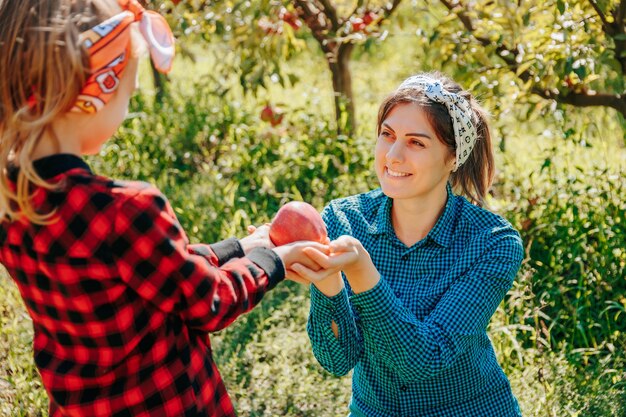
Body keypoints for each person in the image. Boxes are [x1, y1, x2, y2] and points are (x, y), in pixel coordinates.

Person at [0, 1, 323, 416]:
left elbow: (155, 271)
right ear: (93, 92)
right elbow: (210, 301)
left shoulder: (15, 202)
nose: (127, 107)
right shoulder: (127, 209)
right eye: (126, 93)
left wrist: (239, 247)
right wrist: (274, 259)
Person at [291, 72, 525, 416]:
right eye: (388, 135)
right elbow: (337, 360)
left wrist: (360, 270)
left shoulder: (491, 243)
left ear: (453, 157)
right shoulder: (344, 220)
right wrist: (327, 281)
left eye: (417, 142)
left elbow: (424, 358)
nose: (394, 155)